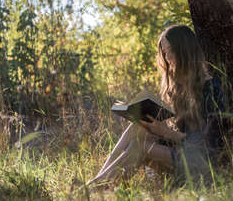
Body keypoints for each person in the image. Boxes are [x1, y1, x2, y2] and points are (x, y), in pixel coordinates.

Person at [87, 25, 225, 186]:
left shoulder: (210, 87)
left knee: (141, 147)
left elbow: (209, 143)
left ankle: (97, 186)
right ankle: (99, 181)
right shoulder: (178, 87)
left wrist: (166, 133)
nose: (167, 57)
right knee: (137, 128)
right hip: (181, 151)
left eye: (171, 50)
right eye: (164, 52)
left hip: (201, 161)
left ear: (185, 50)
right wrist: (156, 126)